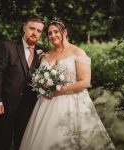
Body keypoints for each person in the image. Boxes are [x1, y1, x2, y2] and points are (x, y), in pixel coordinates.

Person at [19, 20, 115, 150]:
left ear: (64, 32)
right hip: (46, 103)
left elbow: (85, 81)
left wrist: (60, 90)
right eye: (49, 33)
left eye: (56, 32)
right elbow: (39, 78)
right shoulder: (46, 54)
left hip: (73, 102)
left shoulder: (78, 52)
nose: (53, 36)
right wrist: (42, 86)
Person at [0, 16, 45, 150]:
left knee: (22, 143)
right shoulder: (7, 47)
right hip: (5, 105)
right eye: (32, 28)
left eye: (39, 31)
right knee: (1, 142)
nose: (35, 33)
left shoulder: (42, 52)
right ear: (24, 28)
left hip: (29, 107)